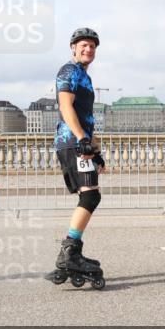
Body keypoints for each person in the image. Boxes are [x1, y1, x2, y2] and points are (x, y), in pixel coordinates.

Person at [46, 27, 106, 289]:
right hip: (71, 142)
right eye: (83, 45)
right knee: (90, 196)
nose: (88, 49)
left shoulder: (84, 76)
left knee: (89, 195)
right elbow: (65, 106)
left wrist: (96, 151)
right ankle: (70, 252)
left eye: (92, 46)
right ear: (73, 47)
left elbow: (86, 117)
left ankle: (72, 251)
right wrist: (82, 139)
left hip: (79, 142)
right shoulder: (68, 72)